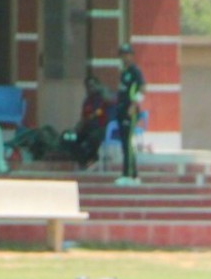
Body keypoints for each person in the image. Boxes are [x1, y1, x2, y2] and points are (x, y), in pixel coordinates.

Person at [62, 76, 111, 169]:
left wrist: (93, 115)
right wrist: (77, 128)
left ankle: (93, 159)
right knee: (70, 138)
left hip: (101, 127)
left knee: (92, 139)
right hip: (88, 127)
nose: (90, 88)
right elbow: (84, 117)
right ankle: (83, 162)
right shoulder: (87, 101)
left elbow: (103, 108)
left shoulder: (103, 98)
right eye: (88, 86)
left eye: (92, 85)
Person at [116, 44, 147, 186]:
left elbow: (143, 88)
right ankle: (133, 174)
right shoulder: (124, 72)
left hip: (130, 112)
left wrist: (133, 105)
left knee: (128, 143)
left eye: (127, 54)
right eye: (122, 54)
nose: (124, 57)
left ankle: (128, 175)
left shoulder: (135, 71)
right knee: (125, 144)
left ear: (131, 55)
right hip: (121, 111)